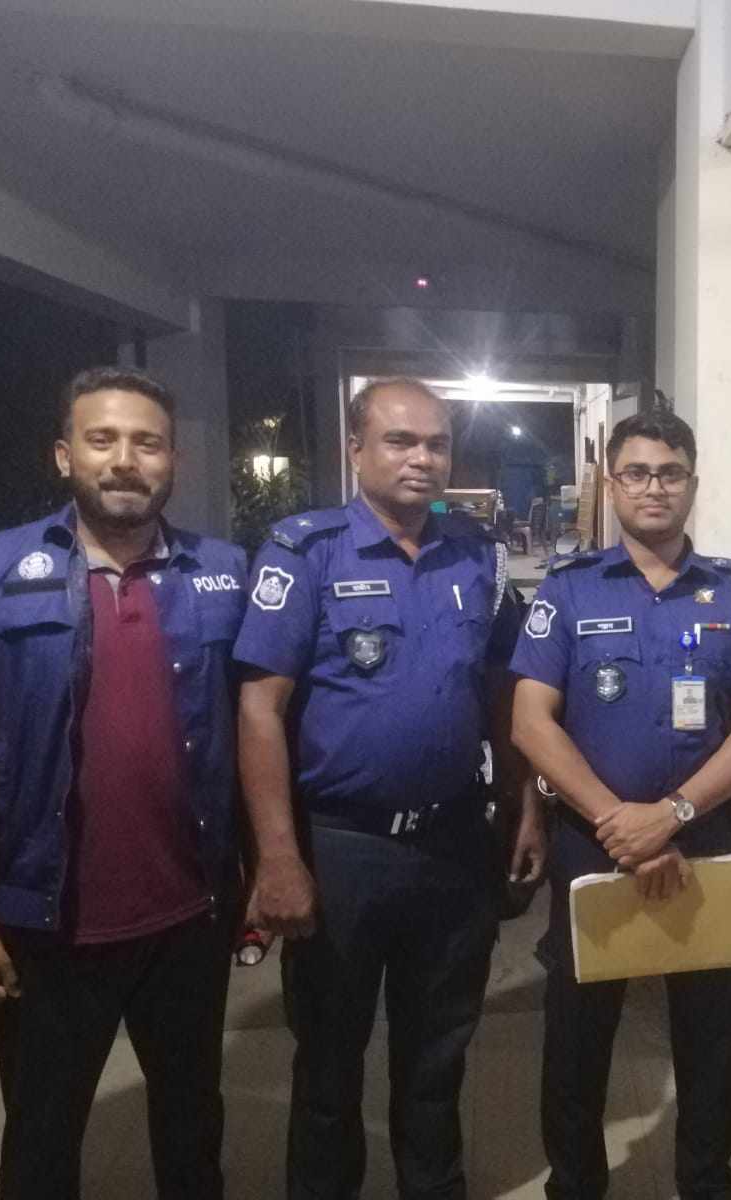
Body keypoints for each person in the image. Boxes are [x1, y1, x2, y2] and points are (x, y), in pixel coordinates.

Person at [0, 366, 247, 1200]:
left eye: (147, 442)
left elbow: (256, 733)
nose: (125, 460)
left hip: (190, 919)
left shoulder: (224, 572)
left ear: (173, 461)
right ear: (65, 455)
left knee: (193, 1131)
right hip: (48, 924)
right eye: (102, 440)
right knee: (41, 1140)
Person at [232, 376, 544, 1200]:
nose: (422, 458)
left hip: (452, 842)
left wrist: (523, 804)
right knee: (328, 1064)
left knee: (439, 1057)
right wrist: (276, 859)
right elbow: (260, 710)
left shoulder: (476, 554)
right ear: (356, 448)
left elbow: (503, 690)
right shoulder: (306, 552)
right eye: (400, 440)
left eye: (436, 443)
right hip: (342, 849)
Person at [510, 408, 731, 1200]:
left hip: (703, 842)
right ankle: (575, 1186)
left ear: (692, 484)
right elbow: (530, 721)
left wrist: (668, 815)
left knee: (709, 1043)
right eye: (636, 472)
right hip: (591, 845)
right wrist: (618, 823)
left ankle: (705, 1185)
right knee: (577, 1042)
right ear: (612, 484)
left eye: (670, 473)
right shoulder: (567, 589)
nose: (654, 487)